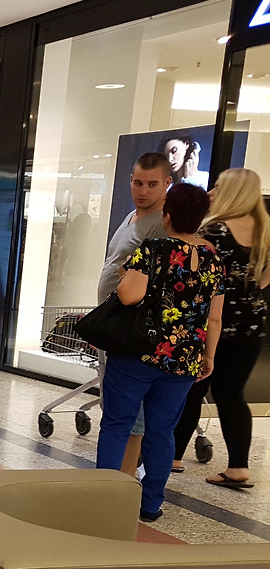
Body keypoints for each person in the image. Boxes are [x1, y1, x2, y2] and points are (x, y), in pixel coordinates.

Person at [96, 184, 223, 522]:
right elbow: (214, 317)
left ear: (166, 215)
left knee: (117, 424)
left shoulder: (154, 249)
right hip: (183, 358)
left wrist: (126, 274)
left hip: (138, 352)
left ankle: (103, 500)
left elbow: (128, 296)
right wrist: (208, 355)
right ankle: (151, 504)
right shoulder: (213, 260)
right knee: (162, 430)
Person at [173, 168, 270, 488]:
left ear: (231, 192)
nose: (211, 192)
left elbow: (194, 276)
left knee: (192, 388)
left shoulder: (213, 231)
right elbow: (264, 280)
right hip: (252, 325)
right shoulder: (266, 229)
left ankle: (173, 456)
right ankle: (239, 467)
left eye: (218, 186)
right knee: (231, 394)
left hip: (213, 321)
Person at [98, 151, 171, 477]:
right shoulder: (132, 216)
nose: (143, 191)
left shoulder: (161, 225)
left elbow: (151, 280)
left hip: (133, 326)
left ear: (167, 183)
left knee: (131, 412)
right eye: (138, 183)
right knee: (115, 403)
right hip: (113, 323)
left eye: (152, 184)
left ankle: (126, 475)